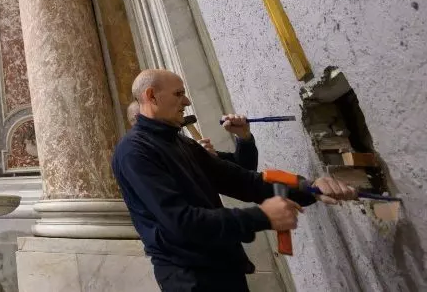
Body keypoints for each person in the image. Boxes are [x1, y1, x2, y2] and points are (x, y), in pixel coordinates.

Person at [113, 69, 358, 291]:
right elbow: (181, 223)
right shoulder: (135, 152)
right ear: (151, 96)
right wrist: (262, 216)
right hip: (190, 279)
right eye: (179, 94)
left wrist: (310, 188)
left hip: (222, 268)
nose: (186, 101)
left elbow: (242, 180)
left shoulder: (180, 142)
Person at [127, 102, 259, 171]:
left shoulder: (185, 145)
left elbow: (245, 170)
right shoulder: (137, 158)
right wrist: (192, 162)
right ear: (138, 119)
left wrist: (244, 138)